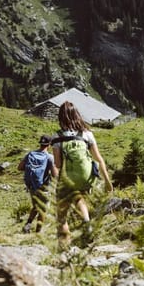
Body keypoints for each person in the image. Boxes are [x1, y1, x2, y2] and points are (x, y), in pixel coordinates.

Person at [50, 101, 114, 242]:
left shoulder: (56, 136)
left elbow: (58, 164)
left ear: (60, 117)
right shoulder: (87, 134)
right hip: (86, 177)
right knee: (79, 198)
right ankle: (86, 222)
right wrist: (108, 183)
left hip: (68, 179)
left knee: (61, 215)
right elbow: (99, 159)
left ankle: (64, 248)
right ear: (77, 115)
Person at [18, 135, 55, 233]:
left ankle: (28, 224)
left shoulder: (30, 154)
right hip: (44, 188)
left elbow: (20, 167)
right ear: (49, 145)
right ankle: (38, 232)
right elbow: (55, 174)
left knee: (35, 206)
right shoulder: (50, 157)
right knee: (43, 210)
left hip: (32, 187)